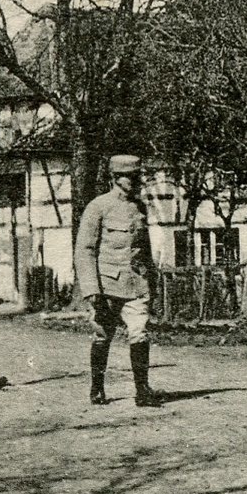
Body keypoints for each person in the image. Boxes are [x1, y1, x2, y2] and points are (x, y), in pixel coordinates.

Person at [74, 155, 161, 407]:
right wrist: (91, 290)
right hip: (107, 287)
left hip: (136, 285)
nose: (135, 182)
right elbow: (85, 250)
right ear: (114, 178)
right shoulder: (98, 207)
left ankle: (142, 391)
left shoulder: (140, 208)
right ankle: (97, 387)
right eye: (129, 177)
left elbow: (144, 251)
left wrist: (151, 284)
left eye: (137, 177)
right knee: (102, 336)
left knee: (140, 334)